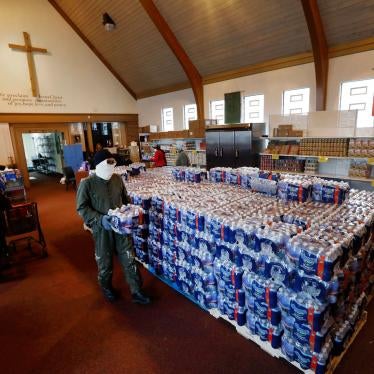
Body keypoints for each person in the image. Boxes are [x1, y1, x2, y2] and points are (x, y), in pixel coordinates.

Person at [76, 149, 150, 304]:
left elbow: (125, 199)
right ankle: (106, 287)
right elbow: (82, 208)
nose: (111, 167)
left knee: (129, 257)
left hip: (121, 227)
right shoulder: (87, 184)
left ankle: (136, 290)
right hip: (102, 229)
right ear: (99, 165)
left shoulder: (117, 179)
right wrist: (100, 219)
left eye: (112, 163)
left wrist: (131, 213)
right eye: (107, 163)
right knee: (105, 260)